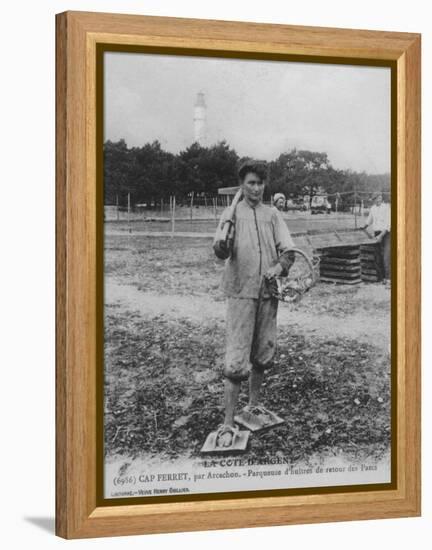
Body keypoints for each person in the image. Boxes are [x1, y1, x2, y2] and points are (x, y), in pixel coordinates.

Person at [212, 160, 295, 447]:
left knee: (262, 353)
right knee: (236, 360)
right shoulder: (231, 212)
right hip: (241, 292)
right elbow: (219, 251)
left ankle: (254, 406)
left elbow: (289, 251)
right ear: (242, 185)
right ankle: (226, 424)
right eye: (250, 183)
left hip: (268, 293)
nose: (256, 188)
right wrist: (223, 242)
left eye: (260, 183)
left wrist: (279, 267)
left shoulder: (273, 215)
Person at [362, 192, 391, 284]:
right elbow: (369, 220)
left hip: (386, 234)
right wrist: (363, 227)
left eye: (379, 198)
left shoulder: (386, 207)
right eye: (376, 198)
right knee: (377, 256)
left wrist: (381, 236)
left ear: (381, 198)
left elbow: (388, 224)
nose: (378, 200)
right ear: (373, 200)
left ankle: (388, 279)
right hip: (376, 233)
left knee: (386, 256)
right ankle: (380, 278)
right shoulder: (373, 208)